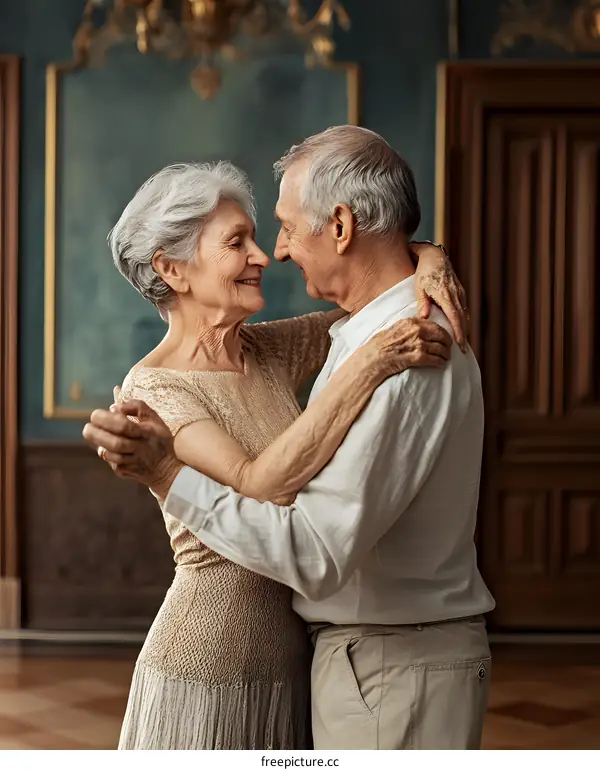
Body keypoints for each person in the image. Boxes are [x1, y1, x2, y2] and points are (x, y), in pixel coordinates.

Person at [86, 157, 467, 750]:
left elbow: (370, 286)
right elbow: (255, 480)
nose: (265, 256)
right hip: (209, 662)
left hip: (297, 660)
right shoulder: (153, 389)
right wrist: (371, 365)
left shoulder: (268, 349)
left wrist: (432, 255)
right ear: (173, 270)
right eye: (237, 243)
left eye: (258, 238)